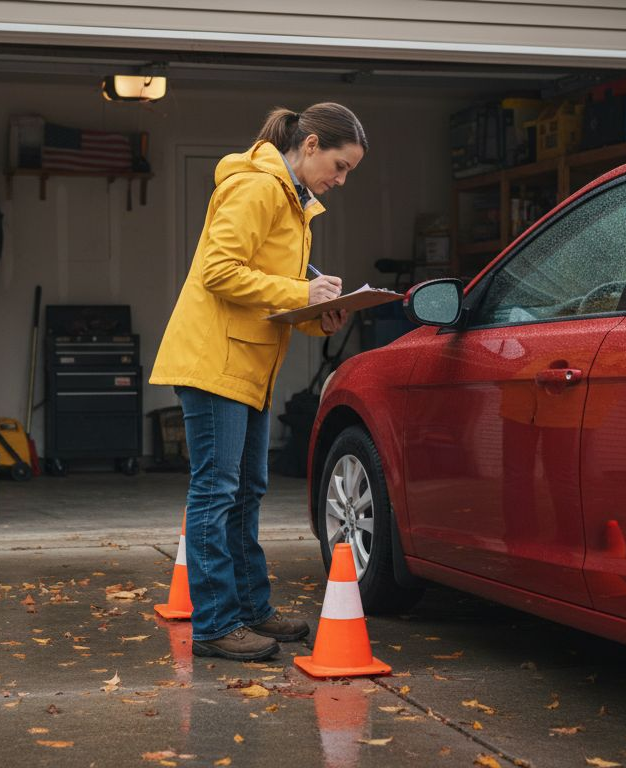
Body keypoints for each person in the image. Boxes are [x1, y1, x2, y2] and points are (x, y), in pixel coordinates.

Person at [149, 103, 368, 661]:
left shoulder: (294, 203)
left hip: (248, 366)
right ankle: (217, 626)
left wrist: (322, 311)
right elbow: (220, 272)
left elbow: (267, 285)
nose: (341, 181)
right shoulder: (256, 188)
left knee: (246, 494)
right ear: (312, 144)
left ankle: (250, 609)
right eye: (339, 167)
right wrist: (303, 294)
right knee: (216, 494)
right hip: (215, 362)